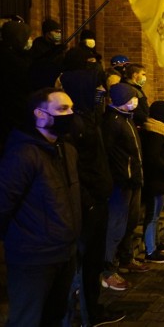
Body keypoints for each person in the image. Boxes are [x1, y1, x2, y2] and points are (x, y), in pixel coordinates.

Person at [0, 88, 82, 326]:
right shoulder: (23, 154)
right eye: (62, 109)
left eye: (72, 108)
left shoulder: (66, 150)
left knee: (54, 316)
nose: (71, 114)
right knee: (28, 320)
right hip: (32, 259)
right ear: (40, 114)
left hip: (64, 252)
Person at [60, 69, 125, 325]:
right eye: (97, 88)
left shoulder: (89, 118)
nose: (102, 93)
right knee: (84, 265)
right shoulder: (75, 123)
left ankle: (92, 310)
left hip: (98, 201)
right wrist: (86, 201)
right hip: (87, 206)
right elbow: (73, 168)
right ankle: (85, 314)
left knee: (93, 263)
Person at [102, 83, 150, 292]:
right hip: (121, 184)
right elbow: (110, 154)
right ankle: (108, 270)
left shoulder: (127, 120)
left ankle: (126, 258)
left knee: (129, 223)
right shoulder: (113, 122)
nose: (136, 102)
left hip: (132, 181)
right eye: (132, 98)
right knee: (115, 227)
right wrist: (120, 177)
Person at [141, 101, 164, 264]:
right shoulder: (154, 132)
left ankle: (156, 243)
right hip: (155, 180)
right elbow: (152, 157)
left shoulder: (161, 130)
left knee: (156, 215)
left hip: (160, 181)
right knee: (153, 215)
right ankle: (150, 250)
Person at [0, 20, 33, 153]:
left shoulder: (18, 58)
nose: (30, 40)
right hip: (10, 123)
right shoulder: (13, 62)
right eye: (27, 37)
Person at [30, 18, 66, 90]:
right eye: (56, 32)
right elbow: (42, 62)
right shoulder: (38, 45)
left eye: (60, 32)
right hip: (41, 84)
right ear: (47, 33)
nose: (59, 34)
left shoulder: (54, 46)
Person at [121, 63, 149, 127]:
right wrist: (147, 119)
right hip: (136, 124)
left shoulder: (136, 88)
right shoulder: (129, 90)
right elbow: (135, 110)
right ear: (135, 75)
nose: (145, 77)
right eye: (143, 74)